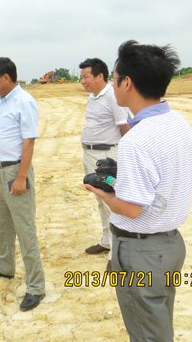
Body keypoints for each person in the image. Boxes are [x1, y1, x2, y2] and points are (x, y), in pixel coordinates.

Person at [85, 40, 192, 342]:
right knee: (159, 323)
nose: (112, 84)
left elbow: (131, 209)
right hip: (171, 246)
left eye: (114, 78)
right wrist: (158, 205)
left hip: (141, 253)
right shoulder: (179, 123)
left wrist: (104, 193)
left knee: (147, 334)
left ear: (127, 83)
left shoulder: (136, 140)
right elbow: (191, 178)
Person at [0, 57, 46, 312]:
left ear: (6, 78)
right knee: (1, 226)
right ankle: (5, 266)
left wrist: (21, 177)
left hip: (14, 172)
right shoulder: (2, 100)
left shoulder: (24, 101)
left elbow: (29, 141)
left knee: (25, 230)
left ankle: (36, 286)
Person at [79, 58, 130, 271]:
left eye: (86, 77)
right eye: (81, 77)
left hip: (108, 156)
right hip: (91, 154)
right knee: (101, 201)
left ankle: (116, 254)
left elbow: (125, 128)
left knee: (113, 202)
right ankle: (106, 241)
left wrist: (126, 157)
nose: (82, 81)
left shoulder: (112, 97)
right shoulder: (92, 98)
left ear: (100, 76)